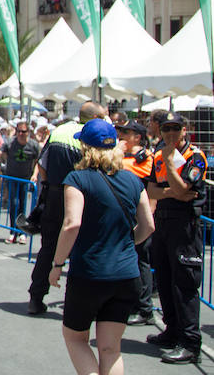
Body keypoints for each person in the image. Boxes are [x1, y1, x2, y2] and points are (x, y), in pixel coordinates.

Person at [49, 119, 155, 375]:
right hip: (126, 273)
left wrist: (57, 264)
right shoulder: (133, 181)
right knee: (111, 348)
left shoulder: (77, 178)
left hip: (90, 272)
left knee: (75, 338)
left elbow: (72, 224)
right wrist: (128, 244)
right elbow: (148, 226)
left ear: (85, 147)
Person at [28, 101, 107, 315]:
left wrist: (50, 186)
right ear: (96, 119)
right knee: (83, 248)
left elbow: (41, 164)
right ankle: (78, 302)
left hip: (54, 194)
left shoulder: (59, 130)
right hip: (81, 195)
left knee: (48, 248)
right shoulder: (92, 136)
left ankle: (36, 297)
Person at [145, 113, 207, 364]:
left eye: (175, 129)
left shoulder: (195, 156)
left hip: (184, 226)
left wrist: (171, 168)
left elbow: (186, 191)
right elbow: (151, 190)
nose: (169, 133)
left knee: (185, 284)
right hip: (163, 222)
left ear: (185, 130)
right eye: (165, 129)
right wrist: (173, 191)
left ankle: (190, 343)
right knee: (165, 279)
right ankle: (172, 331)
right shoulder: (159, 155)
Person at [115, 119, 156, 327]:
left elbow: (148, 186)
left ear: (138, 137)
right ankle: (130, 303)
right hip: (122, 215)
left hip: (138, 215)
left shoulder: (145, 157)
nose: (122, 135)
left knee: (141, 261)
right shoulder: (122, 154)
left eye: (126, 132)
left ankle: (144, 308)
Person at [2, 121, 41, 244]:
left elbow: (38, 161)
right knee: (14, 204)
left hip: (25, 180)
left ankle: (22, 232)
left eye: (23, 131)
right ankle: (13, 231)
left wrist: (34, 175)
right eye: (18, 131)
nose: (20, 134)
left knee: (24, 206)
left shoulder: (33, 145)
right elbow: (3, 154)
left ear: (28, 132)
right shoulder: (10, 143)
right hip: (13, 179)